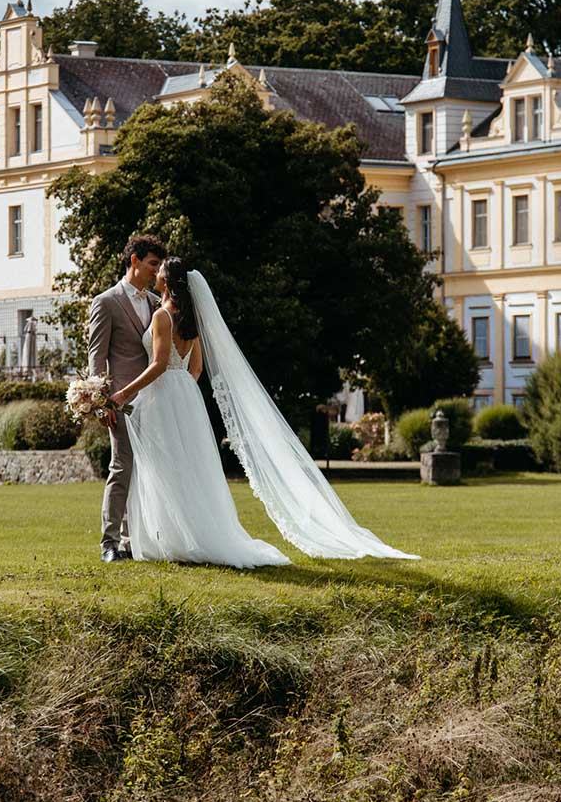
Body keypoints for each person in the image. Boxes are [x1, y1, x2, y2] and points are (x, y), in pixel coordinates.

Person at [104, 258, 417, 566]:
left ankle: (171, 539)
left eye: (160, 270)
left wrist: (124, 393)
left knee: (165, 468)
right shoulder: (191, 320)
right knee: (188, 469)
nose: (156, 273)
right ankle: (189, 535)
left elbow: (158, 364)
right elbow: (196, 368)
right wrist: (181, 389)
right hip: (186, 395)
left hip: (163, 396)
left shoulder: (162, 316)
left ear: (168, 281)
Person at [85, 233, 165, 562]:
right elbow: (96, 357)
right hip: (121, 401)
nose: (156, 272)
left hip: (155, 400)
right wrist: (101, 402)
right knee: (122, 467)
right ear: (134, 261)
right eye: (152, 264)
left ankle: (135, 541)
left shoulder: (156, 305)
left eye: (159, 266)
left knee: (147, 470)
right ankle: (109, 542)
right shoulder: (106, 302)